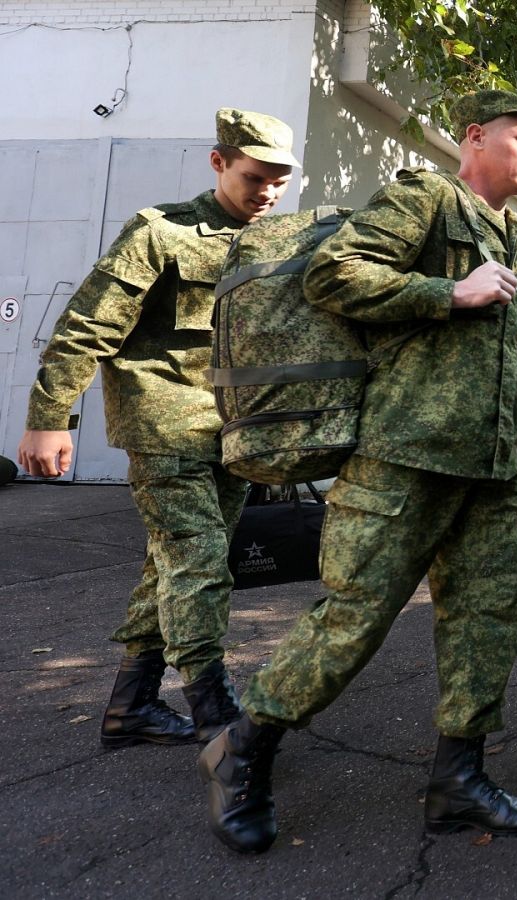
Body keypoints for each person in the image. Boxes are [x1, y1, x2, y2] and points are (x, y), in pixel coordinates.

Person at [198, 89, 517, 854]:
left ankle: (459, 779)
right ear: (475, 139)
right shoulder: (426, 200)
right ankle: (243, 750)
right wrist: (446, 291)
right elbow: (334, 273)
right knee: (353, 619)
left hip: (487, 474)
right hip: (403, 455)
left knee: (490, 623)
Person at [16, 109, 298, 747]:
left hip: (234, 428)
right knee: (198, 562)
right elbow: (86, 327)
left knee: (171, 564)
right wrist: (48, 420)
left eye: (280, 180)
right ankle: (214, 712)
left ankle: (131, 707)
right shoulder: (159, 232)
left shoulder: (272, 241)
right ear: (219, 162)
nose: (269, 192)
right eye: (256, 177)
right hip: (164, 422)